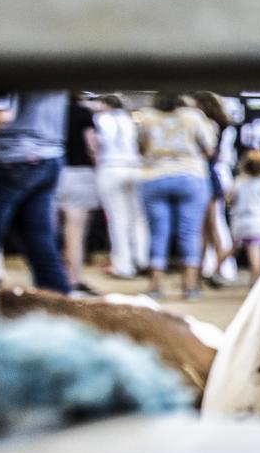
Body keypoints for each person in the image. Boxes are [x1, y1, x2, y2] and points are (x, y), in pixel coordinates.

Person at [0, 91, 71, 294]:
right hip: (50, 157)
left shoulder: (12, 62)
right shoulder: (59, 65)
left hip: (14, 158)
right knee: (41, 242)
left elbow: (1, 115)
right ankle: (61, 305)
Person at [136, 93, 216, 300]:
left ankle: (155, 286)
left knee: (158, 233)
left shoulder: (146, 117)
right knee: (190, 232)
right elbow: (209, 148)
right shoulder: (194, 117)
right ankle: (190, 287)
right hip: (190, 175)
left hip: (154, 176)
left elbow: (140, 148)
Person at [93, 94, 148, 280]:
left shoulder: (100, 119)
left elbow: (96, 145)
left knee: (117, 219)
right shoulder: (131, 119)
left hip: (110, 167)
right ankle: (142, 259)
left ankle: (123, 265)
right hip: (134, 167)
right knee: (138, 218)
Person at [191, 91, 237, 287]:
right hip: (216, 175)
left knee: (213, 226)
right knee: (211, 226)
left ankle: (220, 269)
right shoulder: (223, 126)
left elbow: (211, 153)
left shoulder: (210, 126)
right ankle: (210, 269)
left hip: (211, 175)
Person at [56, 95, 101, 294]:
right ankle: (72, 280)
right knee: (75, 232)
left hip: (53, 170)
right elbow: (92, 145)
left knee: (51, 231)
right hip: (78, 173)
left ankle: (57, 277)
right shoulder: (82, 113)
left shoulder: (52, 110)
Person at [227, 149, 260, 286]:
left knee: (233, 248)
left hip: (240, 222)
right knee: (256, 253)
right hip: (257, 223)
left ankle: (215, 269)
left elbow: (229, 199)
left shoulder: (238, 182)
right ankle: (256, 283)